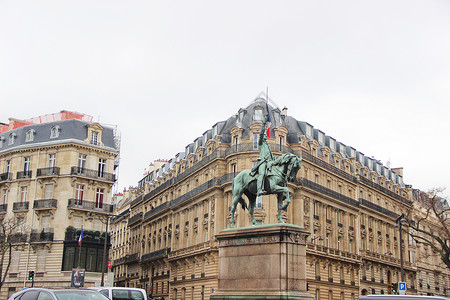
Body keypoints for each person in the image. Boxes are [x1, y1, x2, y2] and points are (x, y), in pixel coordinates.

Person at [249, 114, 275, 196]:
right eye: (264, 135)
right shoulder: (260, 144)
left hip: (270, 162)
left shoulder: (267, 146)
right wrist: (264, 123)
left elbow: (272, 156)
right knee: (262, 174)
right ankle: (259, 189)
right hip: (262, 162)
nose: (265, 136)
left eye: (265, 135)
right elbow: (260, 134)